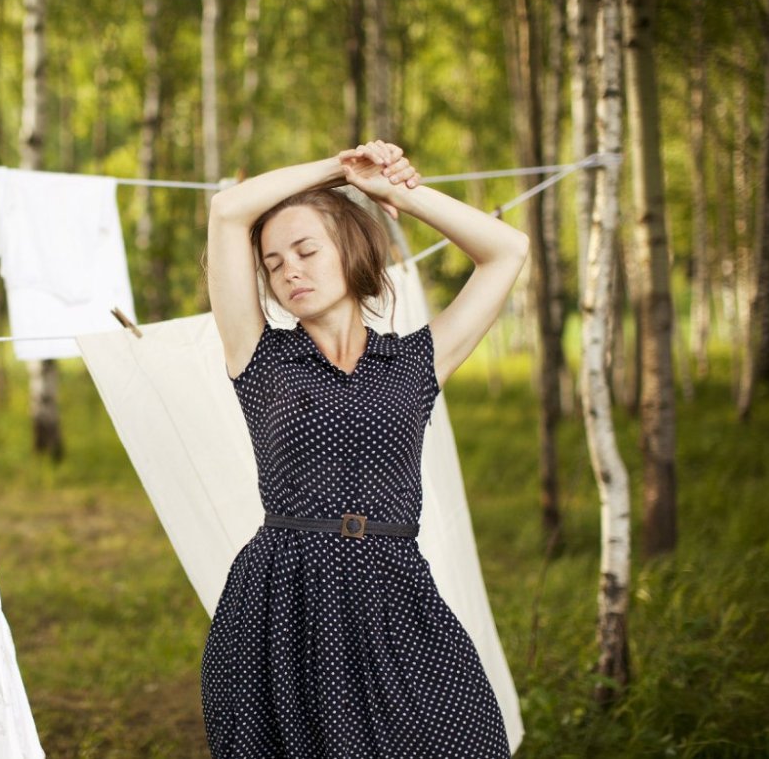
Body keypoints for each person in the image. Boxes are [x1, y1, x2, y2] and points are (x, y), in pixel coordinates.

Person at [201, 140, 526, 758]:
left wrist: (390, 192)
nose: (288, 270)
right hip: (284, 599)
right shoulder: (262, 358)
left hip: (392, 589)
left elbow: (507, 251)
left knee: (463, 740)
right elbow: (227, 211)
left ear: (349, 252)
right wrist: (340, 169)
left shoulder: (413, 364)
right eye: (272, 264)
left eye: (305, 250)